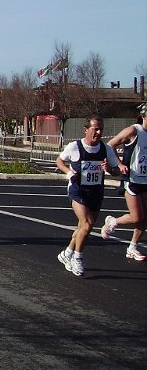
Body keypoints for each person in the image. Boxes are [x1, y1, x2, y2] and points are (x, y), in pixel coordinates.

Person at [56, 114, 126, 277]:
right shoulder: (75, 146)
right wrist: (68, 173)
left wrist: (109, 168)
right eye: (95, 129)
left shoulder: (106, 149)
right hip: (78, 190)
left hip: (95, 192)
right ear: (86, 129)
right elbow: (59, 161)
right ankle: (77, 258)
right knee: (86, 225)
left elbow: (116, 171)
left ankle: (67, 253)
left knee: (83, 228)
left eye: (101, 129)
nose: (99, 132)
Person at [100, 103, 147, 261]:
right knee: (136, 217)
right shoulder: (134, 131)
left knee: (145, 218)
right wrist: (119, 165)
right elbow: (111, 145)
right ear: (143, 116)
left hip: (146, 180)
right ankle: (113, 221)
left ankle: (132, 247)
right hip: (132, 179)